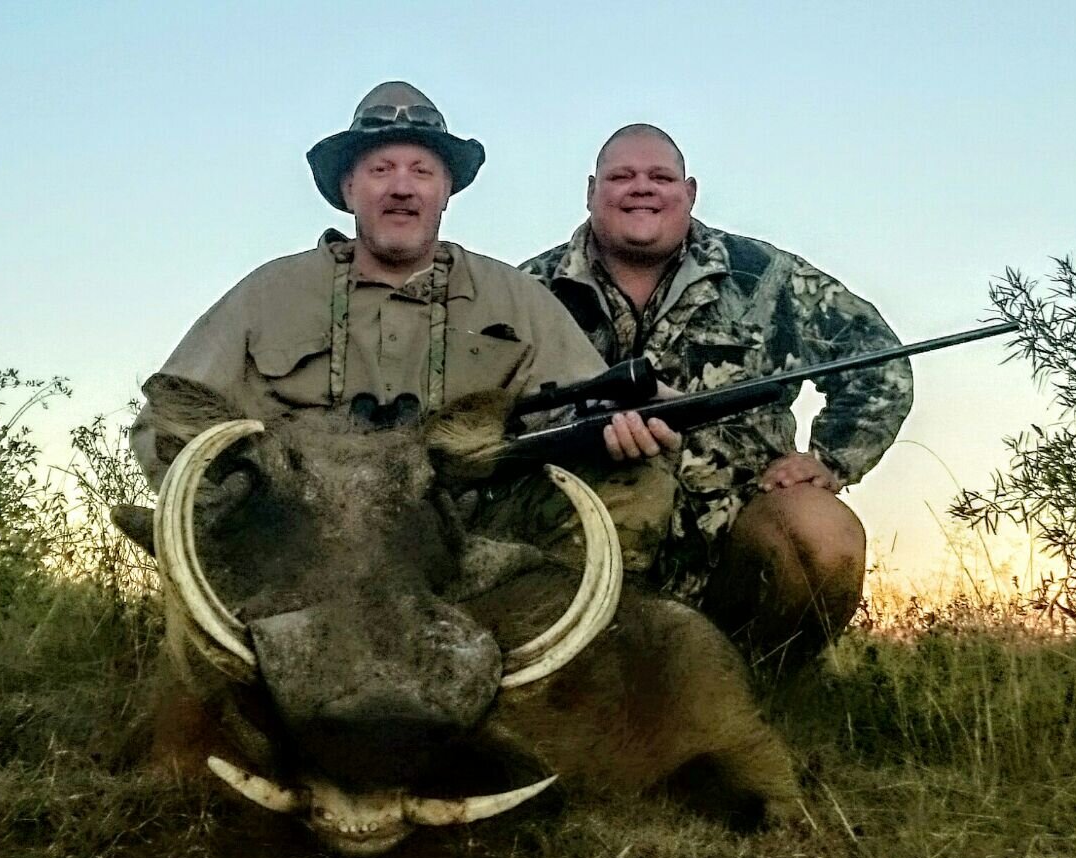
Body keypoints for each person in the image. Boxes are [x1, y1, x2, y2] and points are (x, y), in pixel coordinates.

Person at [131, 84, 676, 488]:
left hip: (464, 533)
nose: (401, 188)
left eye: (421, 171)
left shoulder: (517, 298)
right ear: (347, 188)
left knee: (636, 483)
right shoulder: (267, 294)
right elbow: (165, 427)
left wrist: (635, 424)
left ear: (446, 191)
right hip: (301, 540)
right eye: (380, 169)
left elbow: (595, 405)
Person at [522, 124, 913, 672]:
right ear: (591, 191)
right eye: (622, 176)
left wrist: (829, 460)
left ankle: (768, 688)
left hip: (734, 547)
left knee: (822, 534)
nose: (642, 188)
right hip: (579, 551)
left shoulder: (765, 278)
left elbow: (878, 362)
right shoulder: (527, 292)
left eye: (661, 176)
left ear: (690, 192)